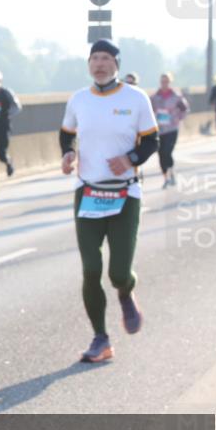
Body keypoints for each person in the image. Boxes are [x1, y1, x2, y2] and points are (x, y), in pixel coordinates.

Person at [59, 39, 158, 363]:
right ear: (89, 64)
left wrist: (129, 158)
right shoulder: (78, 99)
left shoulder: (136, 98)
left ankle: (126, 291)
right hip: (88, 192)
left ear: (116, 64)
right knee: (90, 269)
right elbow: (66, 133)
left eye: (105, 58)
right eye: (94, 58)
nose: (99, 64)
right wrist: (68, 153)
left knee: (117, 272)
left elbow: (151, 141)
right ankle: (100, 339)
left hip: (125, 194)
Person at [149, 72, 188, 188]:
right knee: (161, 154)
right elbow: (148, 111)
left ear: (170, 82)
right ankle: (166, 178)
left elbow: (185, 109)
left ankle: (171, 172)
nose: (164, 84)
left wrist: (177, 119)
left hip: (172, 129)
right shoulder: (154, 97)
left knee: (167, 152)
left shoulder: (176, 96)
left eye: (166, 81)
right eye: (162, 82)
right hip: (159, 129)